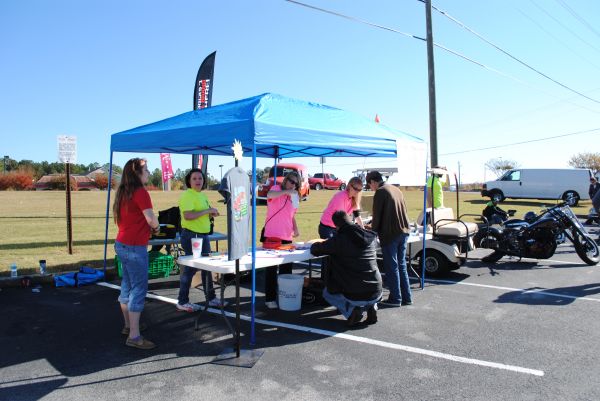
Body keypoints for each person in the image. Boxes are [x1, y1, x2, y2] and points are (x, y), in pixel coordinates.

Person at [113, 158, 159, 350]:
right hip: (134, 246)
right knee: (138, 290)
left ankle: (128, 326)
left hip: (122, 243)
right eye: (146, 170)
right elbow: (151, 219)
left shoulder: (123, 192)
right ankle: (134, 335)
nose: (148, 173)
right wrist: (156, 228)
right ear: (137, 173)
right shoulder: (141, 192)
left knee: (128, 286)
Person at [310, 211, 382, 327]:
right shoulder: (370, 236)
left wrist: (319, 243)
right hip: (377, 288)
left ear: (336, 226)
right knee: (365, 286)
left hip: (356, 291)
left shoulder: (340, 240)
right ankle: (372, 306)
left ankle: (352, 311)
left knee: (327, 293)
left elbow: (315, 250)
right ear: (350, 220)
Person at [176, 169, 226, 312]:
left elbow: (203, 214)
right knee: (191, 268)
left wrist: (212, 214)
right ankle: (182, 301)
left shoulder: (202, 195)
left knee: (207, 267)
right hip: (192, 236)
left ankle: (211, 298)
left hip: (202, 236)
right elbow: (188, 216)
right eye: (195, 179)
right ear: (189, 181)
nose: (198, 181)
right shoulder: (187, 195)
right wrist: (207, 211)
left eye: (200, 178)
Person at [365, 170, 412, 307]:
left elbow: (377, 215)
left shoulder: (381, 192)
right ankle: (407, 297)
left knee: (392, 267)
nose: (371, 189)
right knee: (401, 265)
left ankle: (395, 298)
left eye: (370, 185)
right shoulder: (396, 189)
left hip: (391, 233)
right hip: (403, 230)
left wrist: (371, 229)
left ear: (373, 182)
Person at [263, 171, 301, 309]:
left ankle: (284, 295)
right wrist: (286, 192)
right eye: (291, 181)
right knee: (271, 269)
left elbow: (292, 215)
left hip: (287, 237)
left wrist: (296, 229)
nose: (293, 185)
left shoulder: (294, 196)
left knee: (286, 269)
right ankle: (270, 298)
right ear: (286, 180)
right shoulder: (276, 189)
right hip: (272, 235)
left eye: (296, 183)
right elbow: (269, 195)